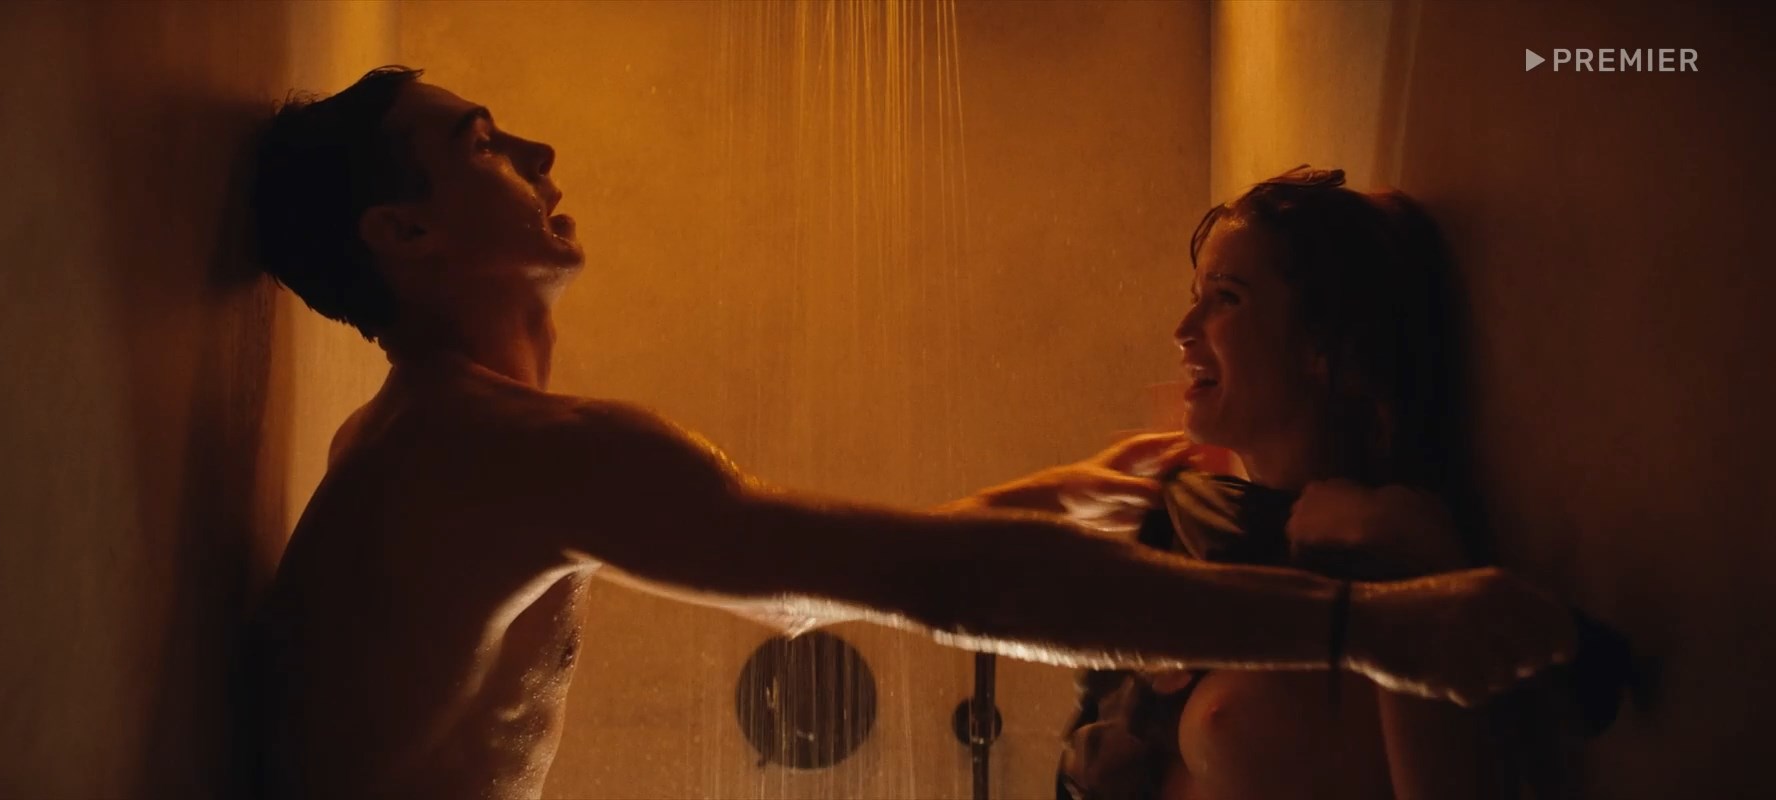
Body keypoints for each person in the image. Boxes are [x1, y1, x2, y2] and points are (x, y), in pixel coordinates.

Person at [243, 69, 1575, 799]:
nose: (535, 149)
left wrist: (1036, 503)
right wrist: (1375, 631)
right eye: (481, 141)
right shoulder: (500, 447)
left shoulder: (423, 442)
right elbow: (924, 587)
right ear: (403, 232)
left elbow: (812, 576)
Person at [1024, 167, 1568, 800]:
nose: (1183, 330)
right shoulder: (1213, 528)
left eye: (1226, 298)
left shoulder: (1390, 553)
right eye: (1197, 295)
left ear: (1324, 342)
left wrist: (1417, 550)